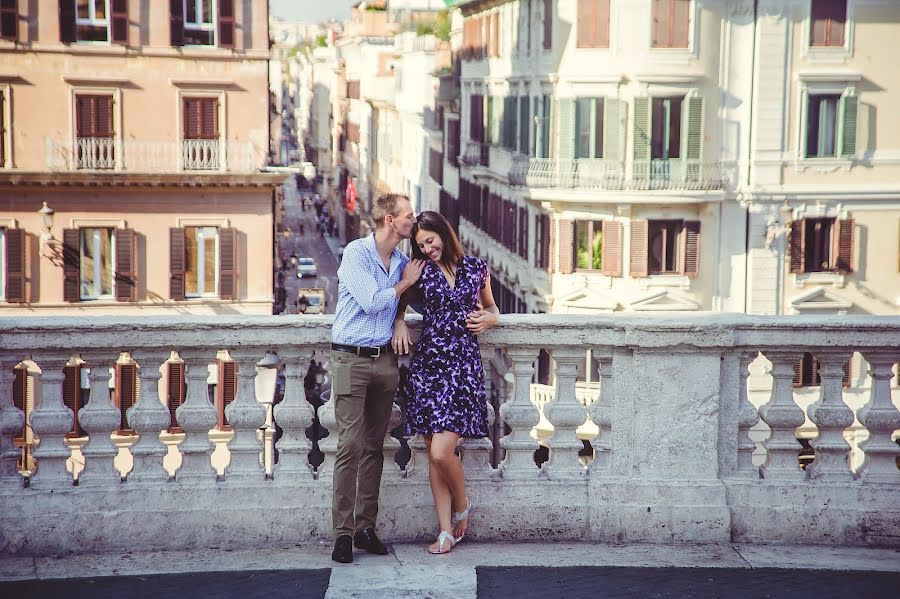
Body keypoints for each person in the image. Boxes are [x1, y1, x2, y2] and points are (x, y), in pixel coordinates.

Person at [392, 211, 499, 555]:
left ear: (444, 234)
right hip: (429, 367)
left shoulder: (476, 268)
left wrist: (490, 319)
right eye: (421, 244)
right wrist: (398, 324)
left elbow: (492, 307)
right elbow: (398, 303)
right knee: (432, 455)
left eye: (431, 240)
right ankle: (444, 531)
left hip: (463, 367)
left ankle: (462, 504)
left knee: (442, 451)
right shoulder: (419, 271)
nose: (427, 248)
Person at [329, 193, 425, 564]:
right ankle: (342, 533)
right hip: (350, 359)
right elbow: (371, 301)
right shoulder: (356, 253)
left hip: (385, 360)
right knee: (349, 445)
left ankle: (366, 528)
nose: (412, 221)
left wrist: (401, 317)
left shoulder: (402, 260)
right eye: (408, 216)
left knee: (374, 448)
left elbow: (399, 302)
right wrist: (403, 286)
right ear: (389, 220)